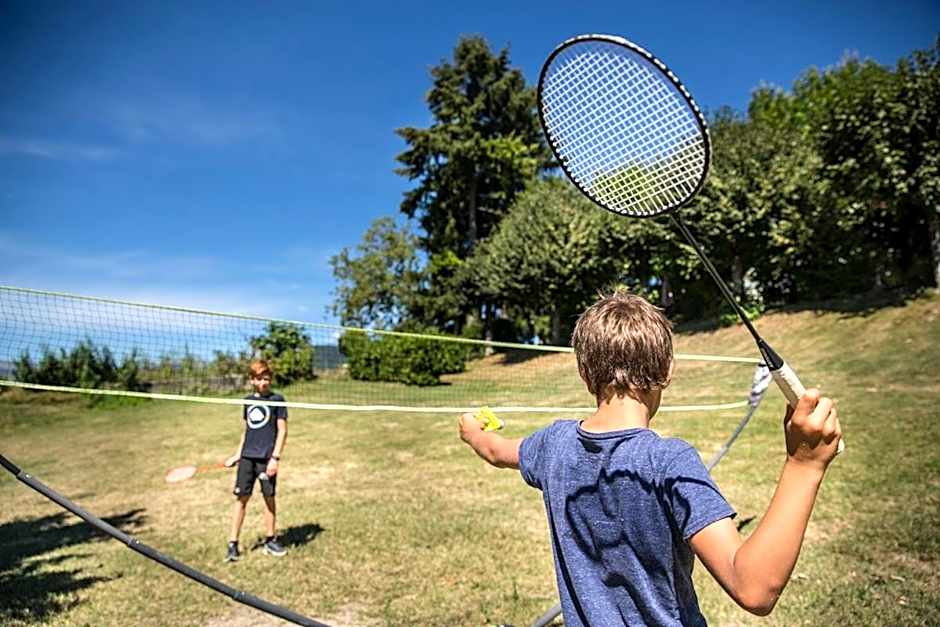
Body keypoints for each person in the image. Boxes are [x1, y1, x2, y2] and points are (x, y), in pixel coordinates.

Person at [458, 290, 842, 626]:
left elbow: (494, 449)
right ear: (667, 370)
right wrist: (804, 466)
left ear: (583, 370)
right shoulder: (669, 461)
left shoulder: (553, 444)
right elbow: (754, 587)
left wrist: (473, 429)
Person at [223, 359, 289, 562]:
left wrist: (274, 458)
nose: (263, 383)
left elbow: (282, 431)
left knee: (269, 498)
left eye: (266, 378)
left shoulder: (277, 400)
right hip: (247, 459)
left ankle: (270, 540)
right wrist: (237, 454)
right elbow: (247, 431)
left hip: (266, 459)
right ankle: (233, 545)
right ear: (252, 380)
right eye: (259, 379)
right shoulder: (248, 401)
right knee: (241, 499)